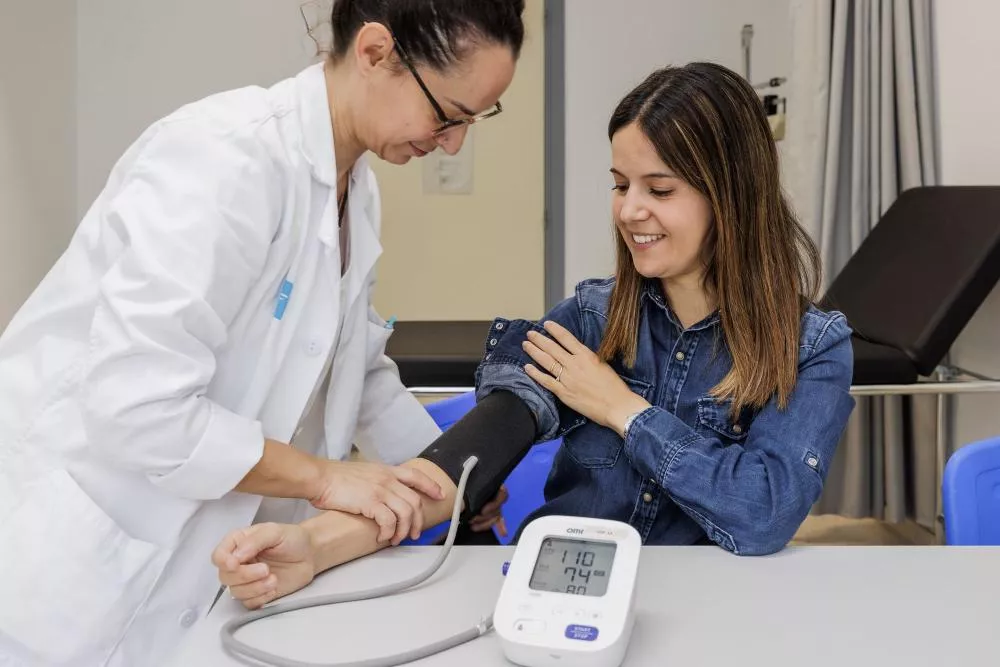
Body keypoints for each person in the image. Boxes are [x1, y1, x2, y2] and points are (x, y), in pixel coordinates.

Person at [214, 62, 856, 608]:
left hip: (714, 610)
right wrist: (314, 546)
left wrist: (620, 409)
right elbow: (464, 465)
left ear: (733, 196)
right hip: (558, 597)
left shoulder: (812, 346)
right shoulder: (591, 319)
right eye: (620, 185)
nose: (630, 210)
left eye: (659, 189)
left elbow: (766, 511)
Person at [0, 1, 525, 664]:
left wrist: (450, 482)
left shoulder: (354, 189)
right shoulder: (222, 160)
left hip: (198, 573)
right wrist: (323, 478)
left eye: (474, 121)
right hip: (68, 576)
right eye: (448, 114)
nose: (452, 143)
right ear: (374, 53)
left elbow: (353, 369)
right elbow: (136, 405)